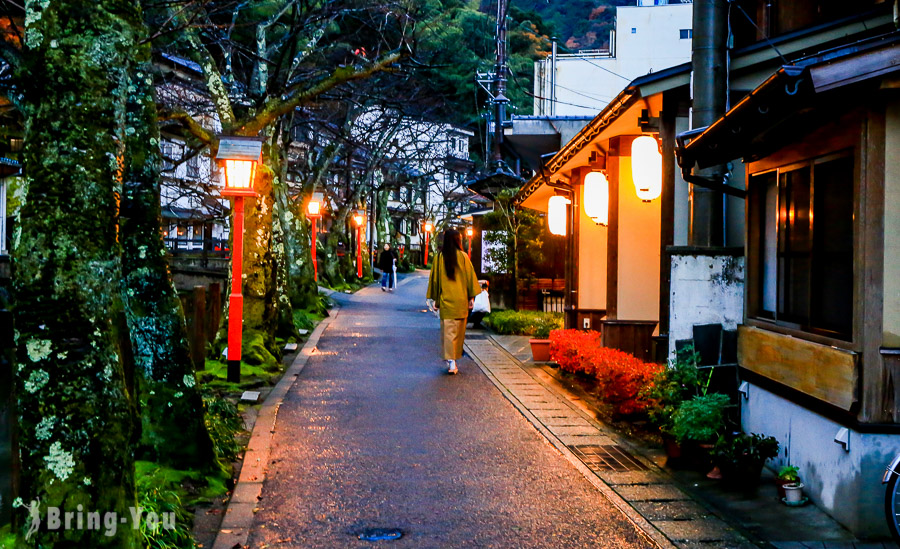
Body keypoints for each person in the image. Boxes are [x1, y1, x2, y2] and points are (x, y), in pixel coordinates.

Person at [426, 229, 481, 375]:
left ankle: (451, 362)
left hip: (446, 301)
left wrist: (436, 301)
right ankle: (454, 359)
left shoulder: (439, 258)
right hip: (461, 301)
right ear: (458, 240)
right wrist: (471, 298)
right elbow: (470, 279)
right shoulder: (463, 257)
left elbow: (436, 280)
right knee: (458, 332)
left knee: (448, 332)